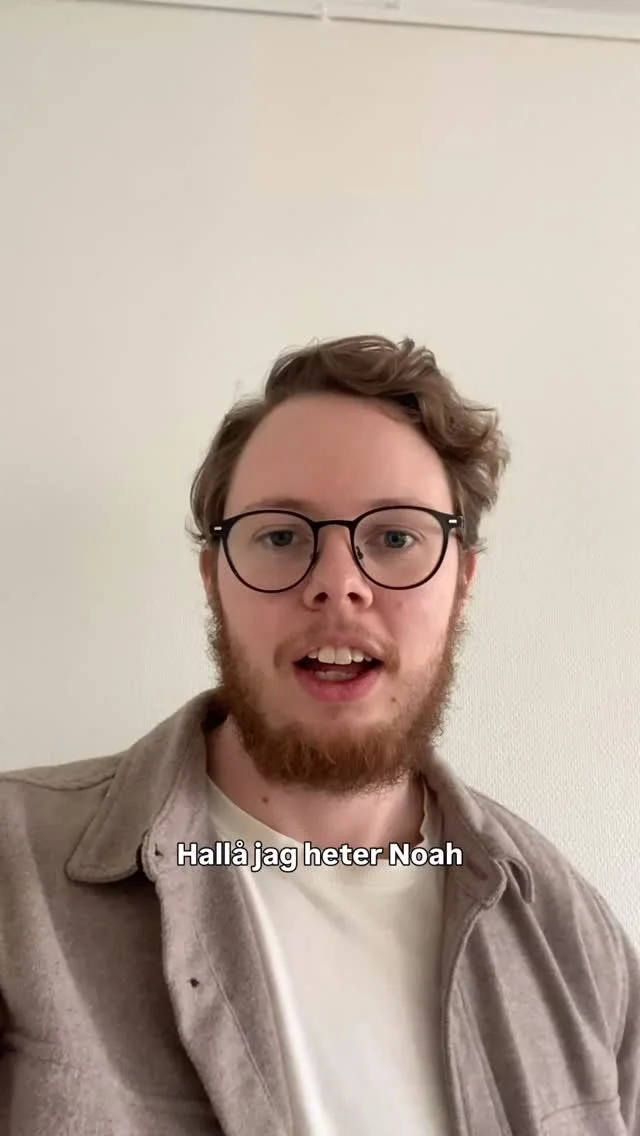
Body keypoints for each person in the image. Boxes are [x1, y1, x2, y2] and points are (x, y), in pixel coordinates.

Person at [0, 335, 638, 1136]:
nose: (338, 583)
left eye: (396, 538)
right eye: (280, 536)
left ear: (463, 582)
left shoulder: (574, 939)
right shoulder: (15, 875)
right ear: (214, 579)